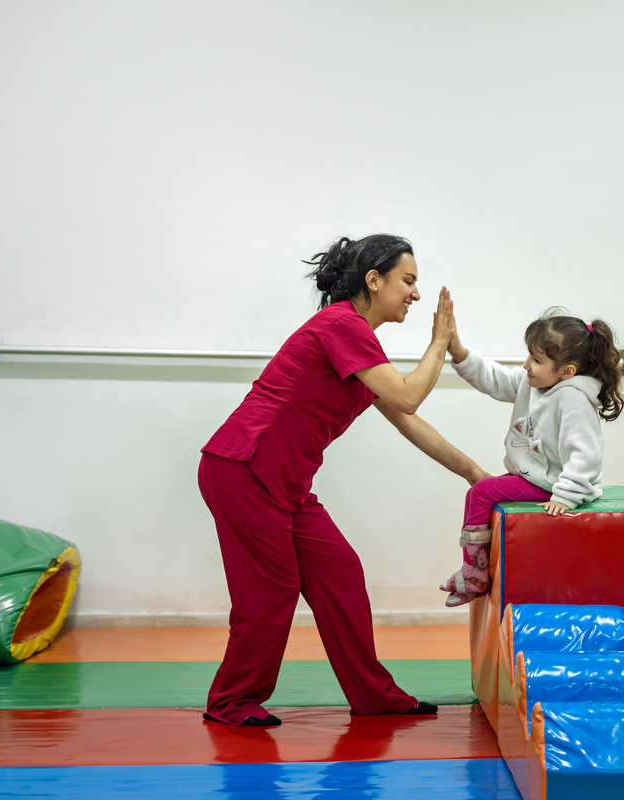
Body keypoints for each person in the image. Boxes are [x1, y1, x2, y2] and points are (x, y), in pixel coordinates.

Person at [198, 234, 488, 727]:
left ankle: (373, 695)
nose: (415, 295)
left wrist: (475, 475)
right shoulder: (341, 325)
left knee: (341, 573)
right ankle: (231, 701)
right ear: (374, 281)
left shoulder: (358, 341)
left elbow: (407, 417)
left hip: (285, 484)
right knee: (271, 593)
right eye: (408, 281)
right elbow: (411, 396)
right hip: (244, 469)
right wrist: (439, 341)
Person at [439, 309, 624, 607]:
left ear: (567, 371)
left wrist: (566, 495)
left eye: (537, 360)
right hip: (535, 477)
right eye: (529, 355)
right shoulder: (534, 384)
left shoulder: (573, 399)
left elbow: (586, 454)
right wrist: (459, 353)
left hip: (554, 484)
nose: (527, 365)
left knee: (481, 491)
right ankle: (477, 568)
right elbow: (495, 379)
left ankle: (474, 573)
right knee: (483, 494)